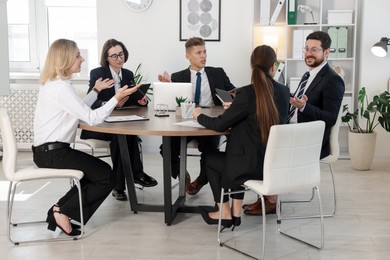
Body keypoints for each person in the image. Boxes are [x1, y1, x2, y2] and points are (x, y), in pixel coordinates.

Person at [32, 39, 139, 236]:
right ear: (65, 60)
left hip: (49, 150)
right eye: (77, 56)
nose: (82, 59)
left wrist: (96, 91)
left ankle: (59, 211)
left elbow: (78, 109)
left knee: (98, 174)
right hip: (54, 152)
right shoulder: (61, 88)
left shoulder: (57, 84)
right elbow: (91, 118)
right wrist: (115, 98)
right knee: (106, 177)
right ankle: (62, 212)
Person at [243, 30, 345, 216]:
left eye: (314, 49)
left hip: (310, 140)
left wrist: (304, 107)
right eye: (306, 49)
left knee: (263, 143)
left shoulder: (332, 80)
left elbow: (330, 117)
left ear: (327, 52)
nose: (308, 53)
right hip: (294, 129)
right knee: (257, 134)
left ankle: (270, 200)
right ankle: (265, 196)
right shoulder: (309, 76)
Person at [193, 45, 290, 229]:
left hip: (249, 168)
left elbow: (219, 124)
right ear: (273, 67)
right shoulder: (284, 92)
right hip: (273, 166)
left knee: (210, 158)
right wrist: (237, 109)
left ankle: (224, 212)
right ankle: (235, 214)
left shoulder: (246, 93)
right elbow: (260, 117)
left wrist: (199, 115)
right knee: (234, 152)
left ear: (252, 67)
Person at [80, 39, 157, 201]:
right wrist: (110, 103)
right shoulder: (97, 73)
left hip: (121, 121)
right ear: (106, 58)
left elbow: (135, 97)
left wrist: (141, 100)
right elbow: (91, 101)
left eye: (121, 54)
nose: (119, 58)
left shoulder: (128, 74)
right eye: (114, 56)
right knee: (120, 136)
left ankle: (128, 180)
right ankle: (126, 181)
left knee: (127, 134)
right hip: (100, 124)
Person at [158, 37, 236, 195]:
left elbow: (233, 92)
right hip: (186, 123)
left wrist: (232, 98)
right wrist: (167, 87)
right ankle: (181, 173)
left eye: (205, 51)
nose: (203, 56)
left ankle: (202, 179)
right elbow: (173, 104)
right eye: (199, 52)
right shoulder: (178, 76)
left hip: (209, 122)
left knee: (210, 150)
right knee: (166, 147)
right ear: (188, 56)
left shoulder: (217, 73)